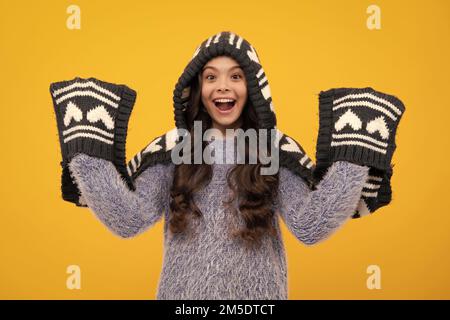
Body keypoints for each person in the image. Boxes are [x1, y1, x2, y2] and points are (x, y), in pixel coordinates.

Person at [50, 31, 405, 300]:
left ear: (252, 88)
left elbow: (309, 226)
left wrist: (355, 154)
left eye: (236, 76)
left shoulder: (274, 149)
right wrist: (87, 149)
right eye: (211, 77)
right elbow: (128, 219)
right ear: (196, 88)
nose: (224, 86)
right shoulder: (173, 148)